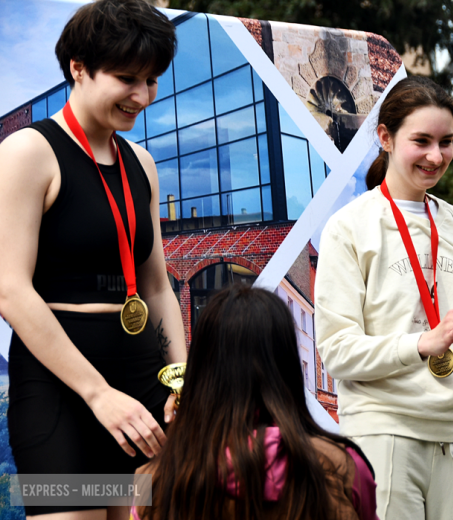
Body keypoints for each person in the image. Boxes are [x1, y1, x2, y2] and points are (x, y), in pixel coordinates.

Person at [0, 0, 187, 517]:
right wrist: (99, 394)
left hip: (144, 378)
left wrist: (181, 382)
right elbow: (9, 290)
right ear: (77, 68)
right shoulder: (27, 152)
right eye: (127, 78)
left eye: (151, 81)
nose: (142, 96)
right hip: (61, 386)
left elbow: (156, 288)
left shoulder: (140, 162)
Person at [314, 76, 453, 520]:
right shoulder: (350, 227)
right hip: (385, 432)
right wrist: (423, 344)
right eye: (422, 141)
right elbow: (336, 351)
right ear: (385, 138)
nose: (436, 156)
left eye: (445, 142)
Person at [133, 285, 378, 520]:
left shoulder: (155, 480)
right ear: (288, 370)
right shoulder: (343, 465)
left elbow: (99, 491)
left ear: (200, 373)